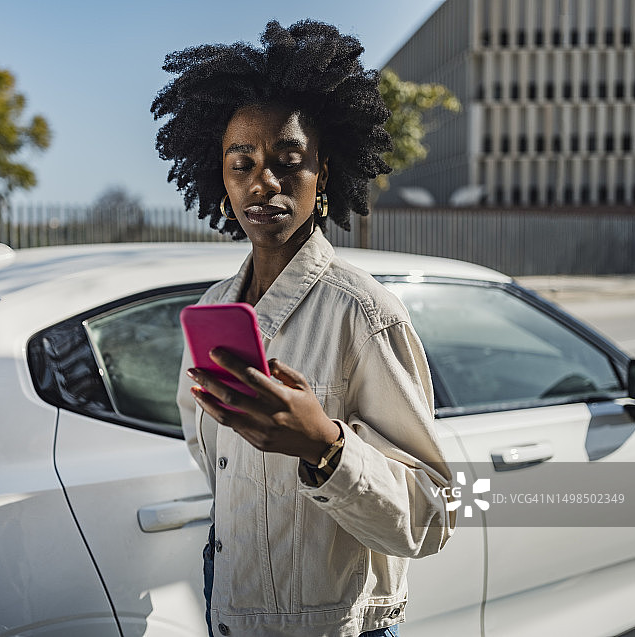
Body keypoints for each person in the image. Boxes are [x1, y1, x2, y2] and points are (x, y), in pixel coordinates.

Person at [153, 20, 454, 637]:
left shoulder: (363, 313)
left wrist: (327, 447)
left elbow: (433, 514)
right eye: (243, 164)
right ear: (221, 179)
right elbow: (217, 467)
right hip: (232, 617)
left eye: (289, 163)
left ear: (322, 179)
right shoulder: (214, 311)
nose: (264, 182)